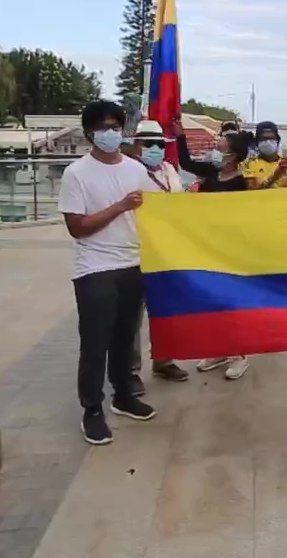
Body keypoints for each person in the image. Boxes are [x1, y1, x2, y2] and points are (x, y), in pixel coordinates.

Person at [58, 100, 157, 445]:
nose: (111, 133)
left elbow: (159, 209)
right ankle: (92, 410)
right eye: (104, 128)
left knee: (125, 338)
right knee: (96, 342)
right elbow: (78, 227)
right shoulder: (76, 174)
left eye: (116, 126)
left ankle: (124, 395)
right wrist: (120, 207)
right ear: (89, 134)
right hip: (96, 268)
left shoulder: (135, 169)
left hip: (133, 264)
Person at [171, 119, 253, 379]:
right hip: (207, 246)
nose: (214, 151)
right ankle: (219, 349)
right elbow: (185, 162)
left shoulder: (242, 182)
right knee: (212, 299)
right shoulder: (209, 171)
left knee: (231, 301)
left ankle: (239, 354)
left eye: (220, 147)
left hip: (231, 249)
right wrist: (180, 137)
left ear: (233, 156)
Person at [121, 122, 190, 386]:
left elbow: (179, 202)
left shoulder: (169, 170)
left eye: (160, 144)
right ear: (136, 146)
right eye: (149, 144)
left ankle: (164, 360)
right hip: (134, 249)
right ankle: (131, 371)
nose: (155, 149)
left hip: (165, 250)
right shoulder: (127, 171)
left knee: (165, 309)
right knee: (132, 314)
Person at [242, 121, 287, 189]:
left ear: (278, 141)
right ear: (257, 142)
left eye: (271, 138)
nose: (268, 142)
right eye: (263, 139)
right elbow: (252, 192)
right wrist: (275, 176)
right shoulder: (247, 164)